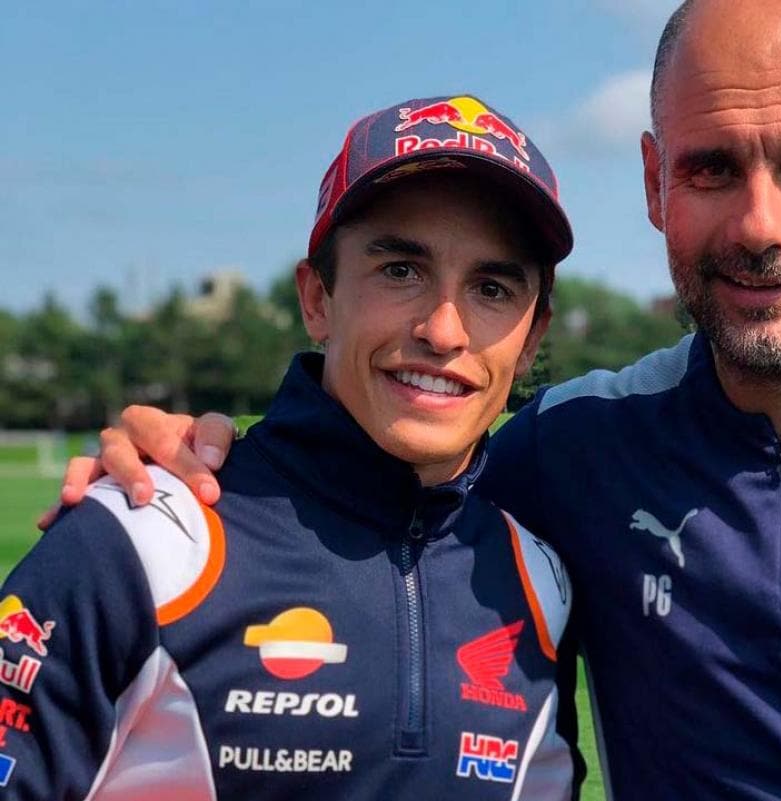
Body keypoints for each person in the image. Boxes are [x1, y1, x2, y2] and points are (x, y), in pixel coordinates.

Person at [52, 1, 781, 799]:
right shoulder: (567, 449)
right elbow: (370, 481)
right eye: (712, 168)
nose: (760, 224)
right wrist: (184, 460)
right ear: (653, 183)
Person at [5, 94, 579, 800]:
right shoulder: (142, 535)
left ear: (532, 337)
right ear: (316, 299)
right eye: (401, 270)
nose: (443, 331)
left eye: (491, 288)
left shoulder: (541, 580)